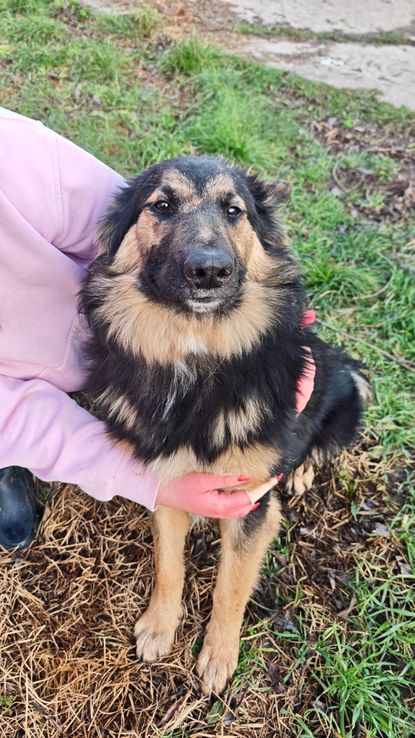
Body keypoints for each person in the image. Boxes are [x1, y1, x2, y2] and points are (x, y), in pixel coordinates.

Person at [0, 107, 277, 550]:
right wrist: (150, 484)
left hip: (90, 340)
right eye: (164, 209)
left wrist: (293, 333)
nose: (208, 261)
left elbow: (109, 216)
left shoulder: (11, 152)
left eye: (231, 211)